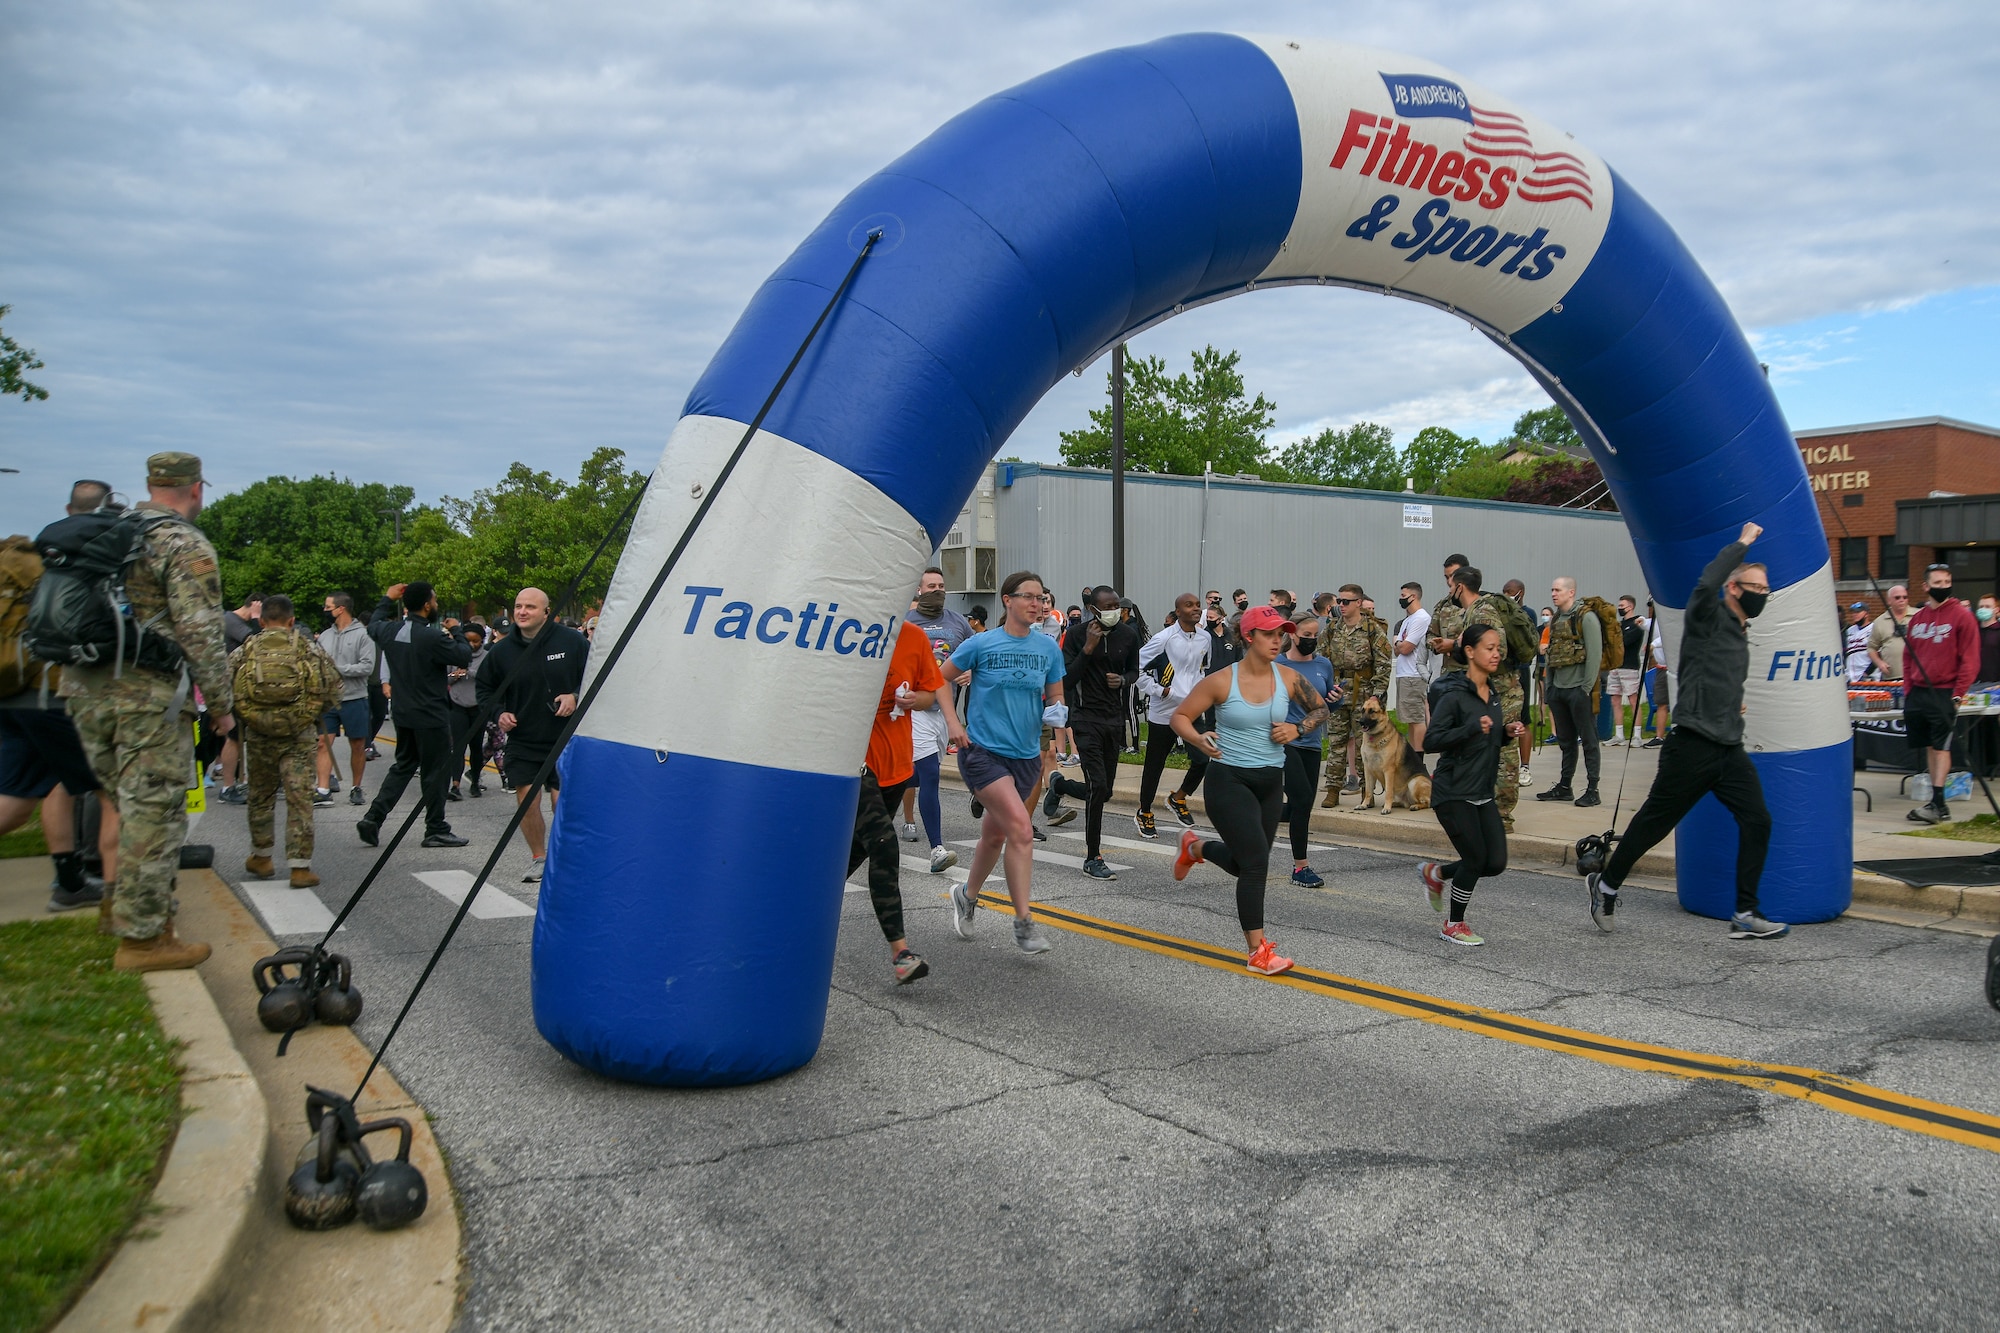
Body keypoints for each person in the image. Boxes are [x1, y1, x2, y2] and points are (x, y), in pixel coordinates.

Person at [58, 452, 234, 971]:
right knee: (154, 814)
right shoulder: (180, 542)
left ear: (152, 484)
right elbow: (200, 632)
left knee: (121, 802)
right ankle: (143, 939)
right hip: (147, 697)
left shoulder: (109, 531)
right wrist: (221, 708)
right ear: (196, 488)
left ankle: (118, 908)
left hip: (86, 689)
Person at [1585, 524, 1789, 939]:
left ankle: (1746, 913)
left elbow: (1714, 677)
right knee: (1654, 824)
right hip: (1692, 746)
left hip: (1728, 748)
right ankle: (1606, 885)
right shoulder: (1707, 613)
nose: (1763, 596)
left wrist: (1732, 703)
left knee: (1759, 820)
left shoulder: (1740, 631)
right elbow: (1707, 580)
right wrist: (1743, 544)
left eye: (1767, 591)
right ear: (1734, 588)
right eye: (1757, 588)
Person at [1170, 605, 1330, 976]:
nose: (1279, 640)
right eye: (1270, 634)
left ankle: (1196, 847)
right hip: (1229, 780)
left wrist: (1299, 728)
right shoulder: (1223, 680)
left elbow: (1321, 710)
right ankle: (1257, 951)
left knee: (1246, 863)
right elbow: (1181, 717)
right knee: (1257, 863)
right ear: (1248, 636)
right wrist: (1199, 738)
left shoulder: (1288, 678)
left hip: (1270, 782)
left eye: (1281, 634)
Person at [1, 481, 121, 913]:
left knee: (19, 801)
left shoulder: (33, 556)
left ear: (69, 508)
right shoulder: (84, 560)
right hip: (52, 694)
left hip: (13, 692)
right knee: (116, 789)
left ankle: (70, 882)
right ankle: (122, 903)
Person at [939, 570, 1066, 955]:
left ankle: (966, 894)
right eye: (1027, 596)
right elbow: (938, 678)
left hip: (1026, 756)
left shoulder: (1048, 648)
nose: (1036, 604)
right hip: (983, 753)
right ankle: (1024, 922)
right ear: (1007, 600)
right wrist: (953, 724)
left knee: (994, 836)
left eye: (1040, 598)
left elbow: (1055, 698)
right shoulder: (982, 643)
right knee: (1021, 831)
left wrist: (1058, 726)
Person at [849, 620, 946, 984]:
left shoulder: (912, 636)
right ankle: (901, 953)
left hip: (896, 765)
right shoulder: (847, 628)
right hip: (853, 762)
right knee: (884, 844)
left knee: (853, 853)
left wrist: (912, 700)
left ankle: (793, 918)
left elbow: (929, 694)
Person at [1417, 624, 1525, 945]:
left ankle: (1435, 874)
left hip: (1481, 791)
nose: (1496, 654)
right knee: (1476, 859)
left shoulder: (1492, 695)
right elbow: (1432, 740)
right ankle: (1453, 924)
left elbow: (1485, 739)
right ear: (1469, 652)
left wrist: (1504, 734)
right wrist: (1470, 729)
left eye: (1498, 648)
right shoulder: (1454, 696)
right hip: (1453, 792)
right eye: (1489, 648)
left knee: (1495, 863)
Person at [477, 587, 589, 878]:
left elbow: (595, 676)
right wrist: (498, 713)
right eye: (518, 606)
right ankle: (539, 859)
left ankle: (564, 861)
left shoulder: (573, 642)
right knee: (527, 801)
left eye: (530, 607)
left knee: (559, 802)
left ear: (546, 612)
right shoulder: (501, 652)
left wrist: (574, 695)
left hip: (565, 739)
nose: (522, 612)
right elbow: (485, 690)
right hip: (524, 739)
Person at [232, 595, 341, 888]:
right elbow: (333, 689)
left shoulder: (247, 649)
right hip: (298, 736)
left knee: (261, 796)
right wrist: (311, 714)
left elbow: (225, 685)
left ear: (262, 621)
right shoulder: (309, 648)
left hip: (259, 734)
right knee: (299, 799)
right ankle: (300, 868)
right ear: (292, 621)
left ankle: (262, 857)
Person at [359, 581, 472, 850]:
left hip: (403, 712)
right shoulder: (432, 637)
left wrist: (387, 598)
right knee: (436, 772)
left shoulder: (389, 631)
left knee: (403, 765)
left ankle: (373, 818)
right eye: (433, 600)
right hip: (431, 715)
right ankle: (435, 828)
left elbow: (373, 623)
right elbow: (464, 655)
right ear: (426, 605)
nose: (435, 604)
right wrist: (456, 629)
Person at [1044, 586, 1141, 878]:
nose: (1114, 611)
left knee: (1105, 790)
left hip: (1114, 720)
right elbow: (1067, 679)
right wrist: (1087, 648)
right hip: (1085, 719)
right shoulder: (1075, 635)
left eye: (1117, 606)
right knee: (1097, 787)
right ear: (1093, 610)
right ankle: (1092, 856)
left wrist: (1123, 680)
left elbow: (1135, 670)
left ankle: (1059, 785)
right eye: (1107, 606)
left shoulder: (1128, 635)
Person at [901, 568, 970, 872]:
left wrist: (971, 671)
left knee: (916, 776)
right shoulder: (905, 622)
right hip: (914, 711)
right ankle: (937, 848)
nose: (937, 591)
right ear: (918, 590)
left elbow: (975, 654)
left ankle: (883, 787)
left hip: (946, 711)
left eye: (941, 586)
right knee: (929, 774)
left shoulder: (958, 622)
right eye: (931, 586)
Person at [1903, 564, 1979, 825]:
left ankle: (1939, 801)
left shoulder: (1962, 616)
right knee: (1929, 746)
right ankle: (1936, 802)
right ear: (1926, 586)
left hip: (1945, 691)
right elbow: (1908, 657)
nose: (1944, 586)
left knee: (1941, 747)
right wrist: (1908, 689)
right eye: (1938, 582)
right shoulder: (1917, 619)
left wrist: (1958, 694)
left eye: (1947, 581)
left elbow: (1970, 660)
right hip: (1918, 693)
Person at [1135, 593, 1214, 838]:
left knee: (1202, 760)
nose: (1195, 609)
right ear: (1177, 612)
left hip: (1190, 710)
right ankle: (1144, 812)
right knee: (1154, 765)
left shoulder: (1205, 637)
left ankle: (1178, 798)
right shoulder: (1164, 638)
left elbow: (1203, 668)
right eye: (1188, 605)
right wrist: (1160, 691)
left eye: (1197, 605)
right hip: (1164, 711)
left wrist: (1201, 694)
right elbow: (1135, 668)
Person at [1316, 584, 1390, 806]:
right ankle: (1332, 790)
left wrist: (1376, 696)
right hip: (1337, 694)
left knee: (1364, 745)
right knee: (1336, 744)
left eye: (1346, 602)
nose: (1341, 606)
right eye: (1339, 601)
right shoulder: (1331, 629)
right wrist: (1326, 687)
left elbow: (1384, 664)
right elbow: (1320, 658)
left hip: (1364, 696)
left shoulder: (1372, 629)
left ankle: (1367, 791)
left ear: (1358, 602)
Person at [1277, 615, 1338, 888]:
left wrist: (1334, 701)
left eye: (1315, 635)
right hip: (1284, 742)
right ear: (1292, 634)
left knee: (1300, 807)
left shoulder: (1323, 664)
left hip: (1312, 744)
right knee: (1301, 799)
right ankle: (1301, 867)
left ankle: (1253, 812)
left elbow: (1324, 708)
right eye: (1306, 635)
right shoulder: (1278, 665)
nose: (1311, 640)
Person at [1537, 576, 1604, 807]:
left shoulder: (1586, 618)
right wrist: (1551, 688)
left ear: (1571, 592)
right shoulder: (1556, 619)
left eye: (1558, 590)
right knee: (1566, 741)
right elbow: (1554, 655)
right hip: (1559, 690)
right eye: (1552, 589)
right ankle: (1565, 786)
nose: (1554, 593)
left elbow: (1595, 655)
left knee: (1589, 740)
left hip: (1579, 690)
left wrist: (1585, 688)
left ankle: (1593, 789)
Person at [315, 591, 377, 806]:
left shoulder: (363, 635)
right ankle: (323, 789)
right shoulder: (324, 636)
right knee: (323, 743)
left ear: (340, 609)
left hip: (355, 698)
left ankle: (356, 787)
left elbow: (367, 666)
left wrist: (337, 669)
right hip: (329, 700)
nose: (325, 611)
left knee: (357, 745)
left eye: (328, 607)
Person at [212, 591, 264, 804]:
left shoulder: (230, 619)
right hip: (232, 688)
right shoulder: (231, 621)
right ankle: (227, 787)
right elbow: (256, 644)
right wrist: (255, 618)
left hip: (240, 688)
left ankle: (236, 781)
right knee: (233, 737)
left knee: (238, 737)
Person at [446, 622, 488, 800]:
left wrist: (469, 671)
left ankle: (475, 781)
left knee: (476, 746)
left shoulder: (487, 656)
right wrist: (454, 676)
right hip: (457, 705)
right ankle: (455, 785)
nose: (472, 645)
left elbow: (488, 679)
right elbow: (444, 679)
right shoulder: (453, 656)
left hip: (477, 706)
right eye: (468, 641)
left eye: (476, 641)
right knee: (458, 746)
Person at [1502, 578, 1535, 786]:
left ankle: (1525, 766)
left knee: (1523, 719)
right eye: (1504, 591)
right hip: (1504, 672)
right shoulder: (1501, 612)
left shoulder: (1527, 613)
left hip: (1520, 671)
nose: (1506, 594)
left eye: (1510, 591)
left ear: (1520, 592)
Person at [1606, 595, 1648, 745]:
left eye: (1622, 605)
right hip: (1615, 666)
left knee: (1632, 699)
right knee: (1615, 699)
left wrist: (1615, 640)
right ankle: (1619, 735)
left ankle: (1637, 735)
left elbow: (1623, 642)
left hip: (1629, 666)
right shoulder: (1618, 625)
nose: (1620, 608)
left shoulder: (1637, 623)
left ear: (1630, 606)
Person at [1868, 586, 1913, 680]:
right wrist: (1879, 663)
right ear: (1889, 601)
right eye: (1897, 597)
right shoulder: (1880, 621)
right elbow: (1871, 648)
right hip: (1891, 677)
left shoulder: (1919, 615)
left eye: (1905, 597)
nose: (1902, 600)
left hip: (1916, 676)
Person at [1643, 601, 1669, 747]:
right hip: (1661, 668)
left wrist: (1653, 645)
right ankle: (1659, 737)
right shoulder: (1655, 621)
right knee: (1661, 703)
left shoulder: (1671, 619)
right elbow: (1647, 623)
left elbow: (1668, 635)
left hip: (1677, 669)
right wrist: (1641, 622)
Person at [1843, 602, 1874, 683]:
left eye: (1857, 612)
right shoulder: (1850, 630)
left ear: (1866, 614)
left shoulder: (1874, 628)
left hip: (1868, 678)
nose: (1854, 614)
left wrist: (1867, 673)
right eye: (1853, 612)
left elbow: (1880, 654)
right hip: (1850, 677)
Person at [1978, 594, 2000, 684]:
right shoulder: (1972, 630)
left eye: (1987, 606)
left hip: (1995, 683)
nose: (1983, 609)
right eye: (1981, 606)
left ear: (1996, 610)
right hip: (1972, 683)